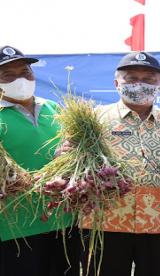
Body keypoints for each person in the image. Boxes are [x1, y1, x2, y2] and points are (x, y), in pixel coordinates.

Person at [81, 51, 160, 276]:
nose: (140, 84)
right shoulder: (94, 121)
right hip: (104, 224)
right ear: (117, 83)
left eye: (148, 79)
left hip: (159, 226)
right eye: (131, 78)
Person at [0, 45, 80, 276]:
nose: (20, 79)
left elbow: (70, 151)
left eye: (25, 72)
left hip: (64, 221)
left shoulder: (53, 108)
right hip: (15, 227)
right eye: (8, 75)